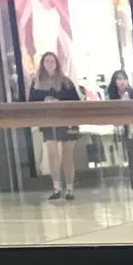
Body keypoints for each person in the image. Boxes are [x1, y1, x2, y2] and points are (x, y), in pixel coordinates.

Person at [29, 53, 82, 202]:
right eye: (47, 61)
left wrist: (60, 102)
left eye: (52, 61)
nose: (50, 63)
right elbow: (31, 103)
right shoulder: (36, 83)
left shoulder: (66, 82)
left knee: (68, 155)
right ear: (42, 63)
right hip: (48, 121)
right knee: (52, 154)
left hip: (67, 121)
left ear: (57, 63)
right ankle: (57, 187)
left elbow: (76, 102)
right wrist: (44, 102)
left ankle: (70, 188)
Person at [106, 70, 133, 200]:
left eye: (124, 79)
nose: (122, 82)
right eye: (119, 79)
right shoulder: (113, 97)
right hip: (125, 132)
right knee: (131, 162)